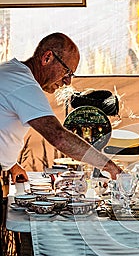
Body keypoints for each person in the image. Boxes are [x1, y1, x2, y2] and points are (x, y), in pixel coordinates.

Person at [0, 32, 122, 184]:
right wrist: (109, 166)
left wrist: (11, 164)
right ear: (47, 58)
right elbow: (59, 137)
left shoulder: (9, 71)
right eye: (67, 71)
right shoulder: (23, 85)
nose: (68, 81)